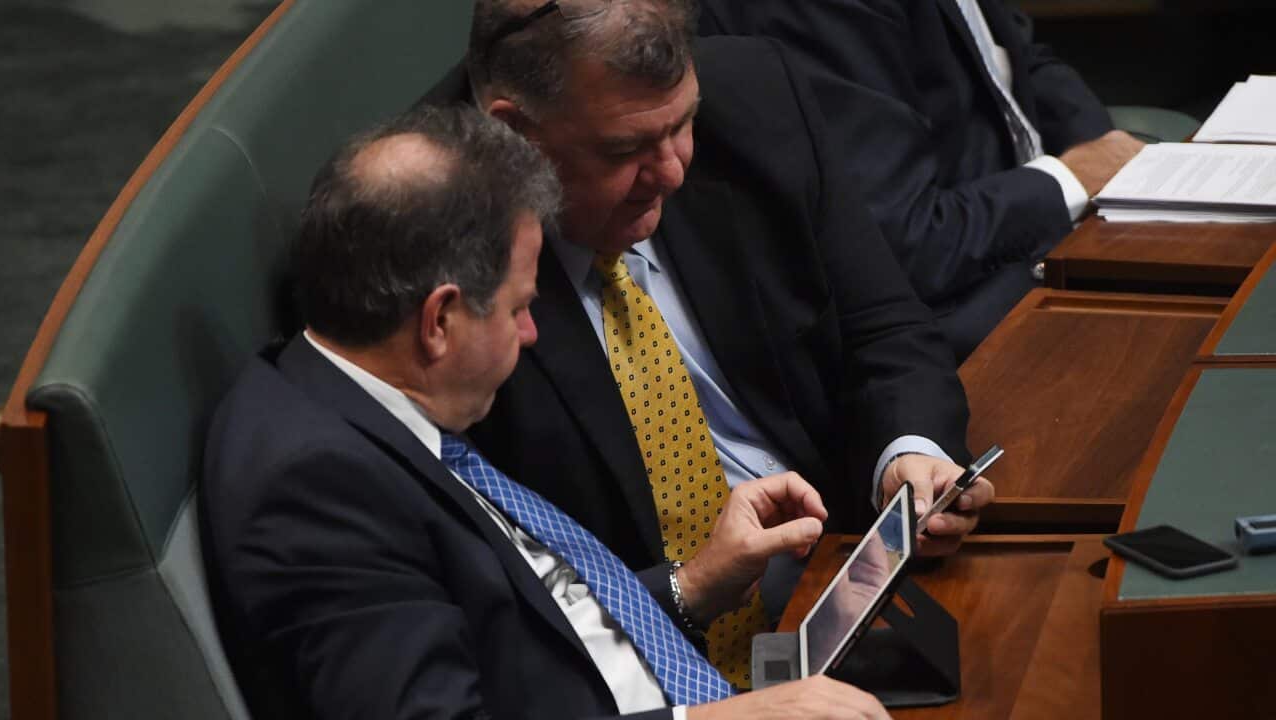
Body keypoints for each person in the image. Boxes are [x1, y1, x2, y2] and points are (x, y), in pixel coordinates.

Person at [200, 105, 894, 719]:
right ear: (439, 321)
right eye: (518, 308)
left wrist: (695, 584)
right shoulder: (316, 488)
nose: (531, 334)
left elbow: (536, 636)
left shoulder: (358, 404)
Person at [433, 0, 994, 686]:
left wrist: (906, 456)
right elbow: (485, 593)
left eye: (682, 125)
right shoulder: (428, 239)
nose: (673, 171)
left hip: (848, 585)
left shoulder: (755, 98)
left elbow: (884, 325)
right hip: (641, 668)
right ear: (515, 134)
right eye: (626, 151)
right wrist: (685, 589)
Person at [697, 0, 1146, 359]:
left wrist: (1107, 152)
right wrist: (1070, 179)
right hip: (954, 323)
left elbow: (1019, 59)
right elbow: (906, 241)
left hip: (1031, 230)